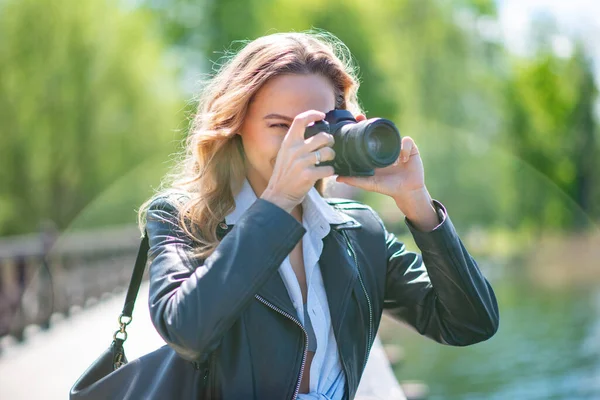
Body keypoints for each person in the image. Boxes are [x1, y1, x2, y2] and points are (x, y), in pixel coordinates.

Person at [138, 31, 499, 400]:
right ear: (236, 125)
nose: (303, 144)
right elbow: (185, 331)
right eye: (281, 126)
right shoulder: (183, 220)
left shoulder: (360, 232)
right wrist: (277, 202)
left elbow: (471, 323)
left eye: (316, 128)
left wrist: (418, 203)